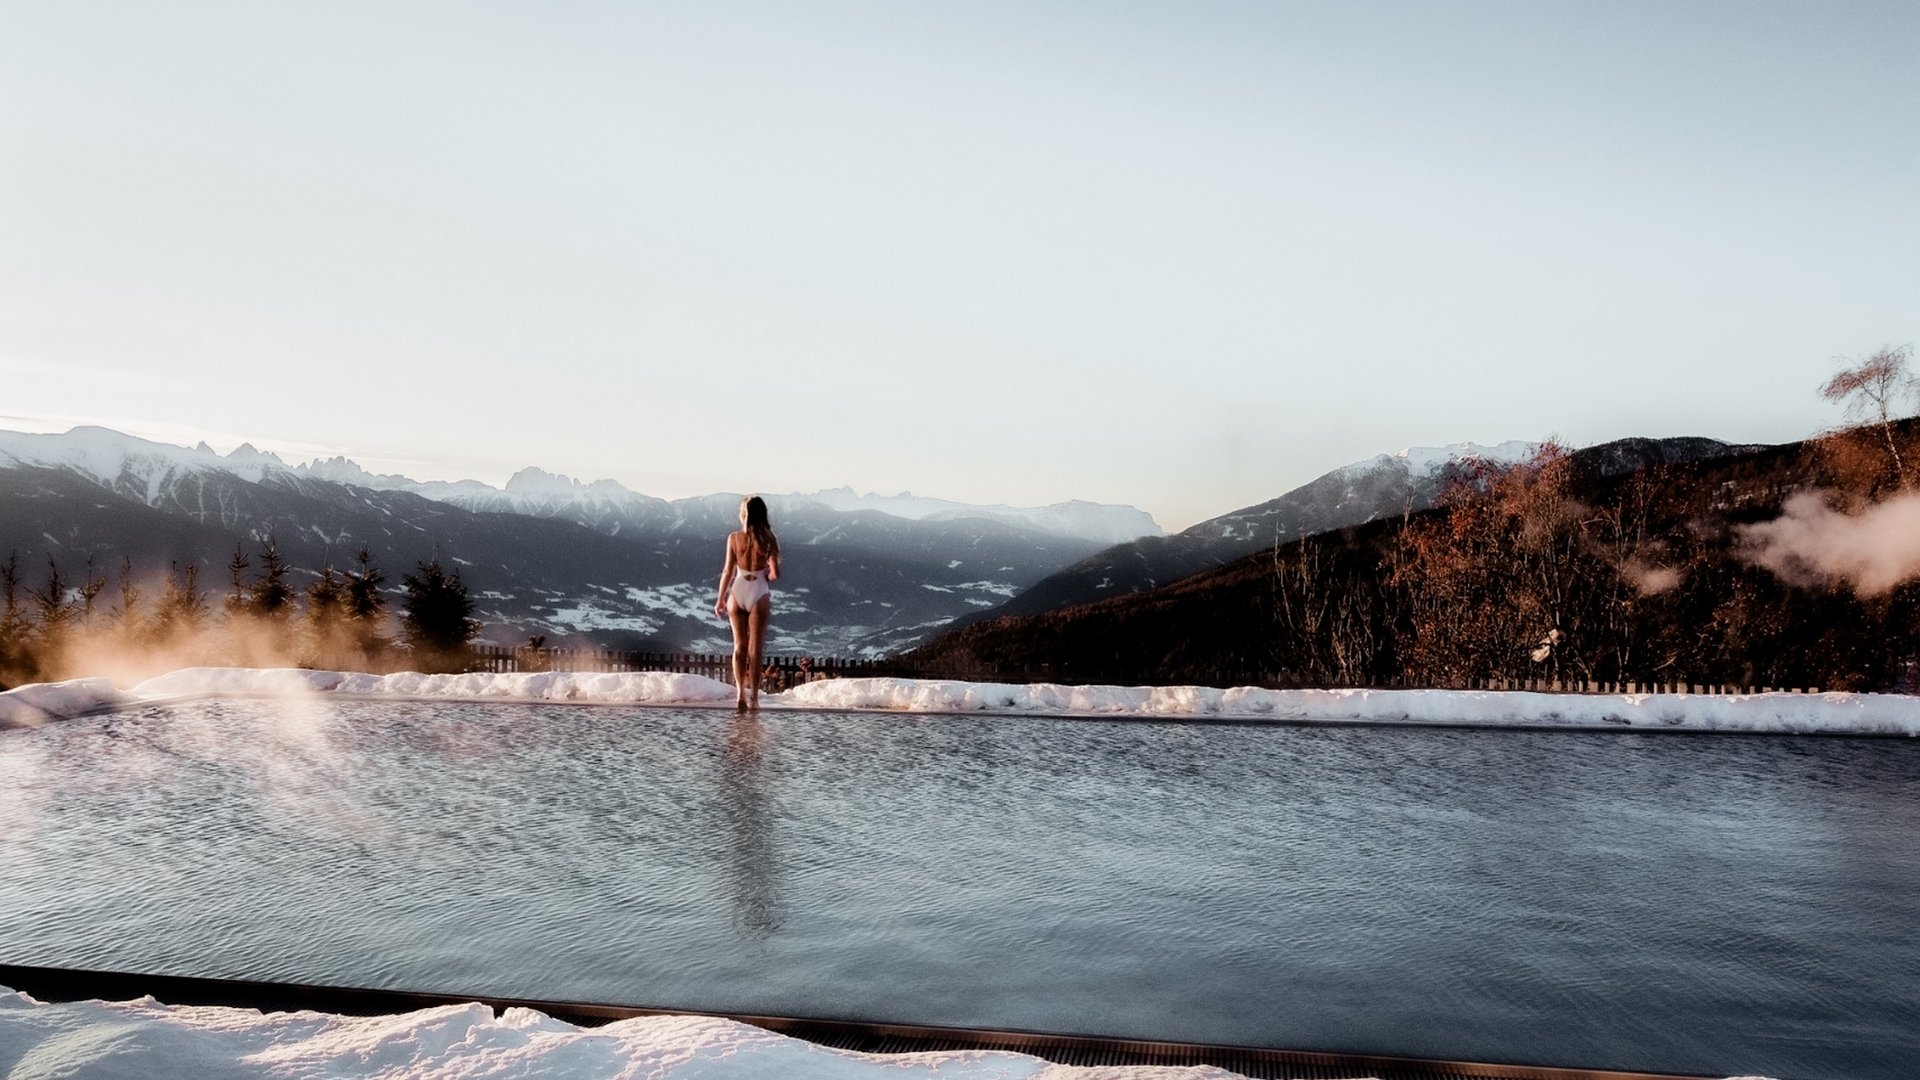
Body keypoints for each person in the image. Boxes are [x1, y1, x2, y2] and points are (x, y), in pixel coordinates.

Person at [714, 495, 781, 710]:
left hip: (738, 589)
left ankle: (740, 693)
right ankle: (755, 699)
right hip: (759, 591)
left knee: (739, 646)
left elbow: (728, 571)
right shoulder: (770, 539)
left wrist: (720, 599)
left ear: (744, 514)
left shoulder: (733, 538)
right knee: (755, 649)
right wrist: (767, 572)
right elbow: (775, 575)